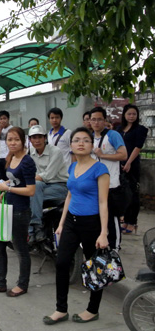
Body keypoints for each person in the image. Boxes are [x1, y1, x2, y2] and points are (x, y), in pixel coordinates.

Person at [43, 127, 109, 325]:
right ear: (71, 145)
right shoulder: (72, 167)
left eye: (86, 140)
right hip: (71, 221)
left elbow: (104, 202)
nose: (81, 143)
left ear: (92, 145)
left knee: (94, 267)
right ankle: (60, 309)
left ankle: (92, 309)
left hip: (92, 224)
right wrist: (62, 224)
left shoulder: (100, 169)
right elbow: (70, 195)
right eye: (77, 140)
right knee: (62, 263)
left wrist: (104, 232)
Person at [0, 127, 36, 297]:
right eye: (9, 140)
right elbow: (10, 181)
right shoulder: (9, 159)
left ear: (23, 141)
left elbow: (30, 190)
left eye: (16, 140)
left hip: (20, 210)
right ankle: (0, 282)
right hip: (6, 207)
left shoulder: (27, 162)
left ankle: (22, 284)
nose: (12, 143)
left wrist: (8, 189)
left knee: (20, 249)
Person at [90, 106, 127, 250]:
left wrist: (102, 155)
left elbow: (123, 155)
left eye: (99, 119)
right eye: (93, 119)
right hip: (94, 185)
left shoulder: (112, 135)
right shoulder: (89, 137)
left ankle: (115, 249)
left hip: (111, 185)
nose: (96, 122)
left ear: (105, 120)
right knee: (98, 219)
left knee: (112, 219)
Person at [28, 125, 69, 244]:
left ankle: (33, 229)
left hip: (60, 186)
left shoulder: (55, 151)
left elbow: (48, 176)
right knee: (33, 189)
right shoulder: (30, 152)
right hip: (42, 186)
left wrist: (27, 181)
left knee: (32, 192)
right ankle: (36, 228)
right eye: (34, 137)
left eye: (40, 137)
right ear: (30, 140)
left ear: (45, 138)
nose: (37, 140)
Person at [117, 104, 148, 234]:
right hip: (119, 163)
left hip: (132, 164)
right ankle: (124, 220)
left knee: (133, 193)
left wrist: (129, 162)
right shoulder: (119, 129)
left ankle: (132, 222)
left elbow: (138, 147)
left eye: (134, 114)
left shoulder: (140, 129)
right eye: (129, 114)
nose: (131, 116)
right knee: (123, 192)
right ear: (124, 115)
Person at [0, 110, 13, 180]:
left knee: (9, 176)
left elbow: (13, 144)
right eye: (1, 119)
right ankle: (3, 190)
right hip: (1, 156)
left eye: (4, 118)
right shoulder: (1, 130)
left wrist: (9, 155)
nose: (3, 120)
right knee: (1, 177)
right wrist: (0, 128)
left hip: (9, 157)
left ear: (8, 119)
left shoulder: (12, 129)